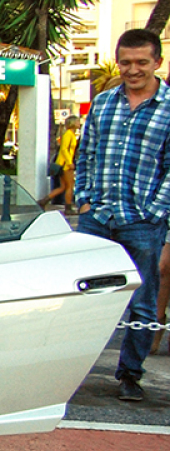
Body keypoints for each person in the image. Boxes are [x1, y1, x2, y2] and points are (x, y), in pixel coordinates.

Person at [74, 27, 170, 403]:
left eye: (141, 62)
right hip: (98, 216)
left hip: (142, 221)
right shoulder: (104, 102)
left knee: (142, 300)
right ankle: (73, 370)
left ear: (157, 63)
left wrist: (155, 210)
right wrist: (84, 199)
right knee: (87, 295)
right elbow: (87, 154)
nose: (133, 70)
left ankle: (130, 373)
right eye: (126, 62)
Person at [42, 115, 79, 213]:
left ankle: (43, 201)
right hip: (65, 165)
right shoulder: (68, 134)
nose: (79, 123)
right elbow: (64, 149)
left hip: (64, 163)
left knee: (63, 187)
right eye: (77, 121)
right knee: (69, 186)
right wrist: (69, 162)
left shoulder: (71, 134)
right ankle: (68, 207)